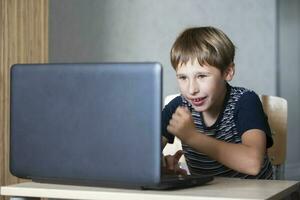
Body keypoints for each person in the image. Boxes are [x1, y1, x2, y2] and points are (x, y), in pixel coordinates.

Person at [162, 26, 273, 179]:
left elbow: (253, 164)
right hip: (209, 194)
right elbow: (141, 157)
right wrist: (161, 166)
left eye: (201, 76)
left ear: (228, 72)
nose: (191, 89)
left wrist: (193, 137)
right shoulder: (178, 106)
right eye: (183, 77)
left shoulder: (245, 101)